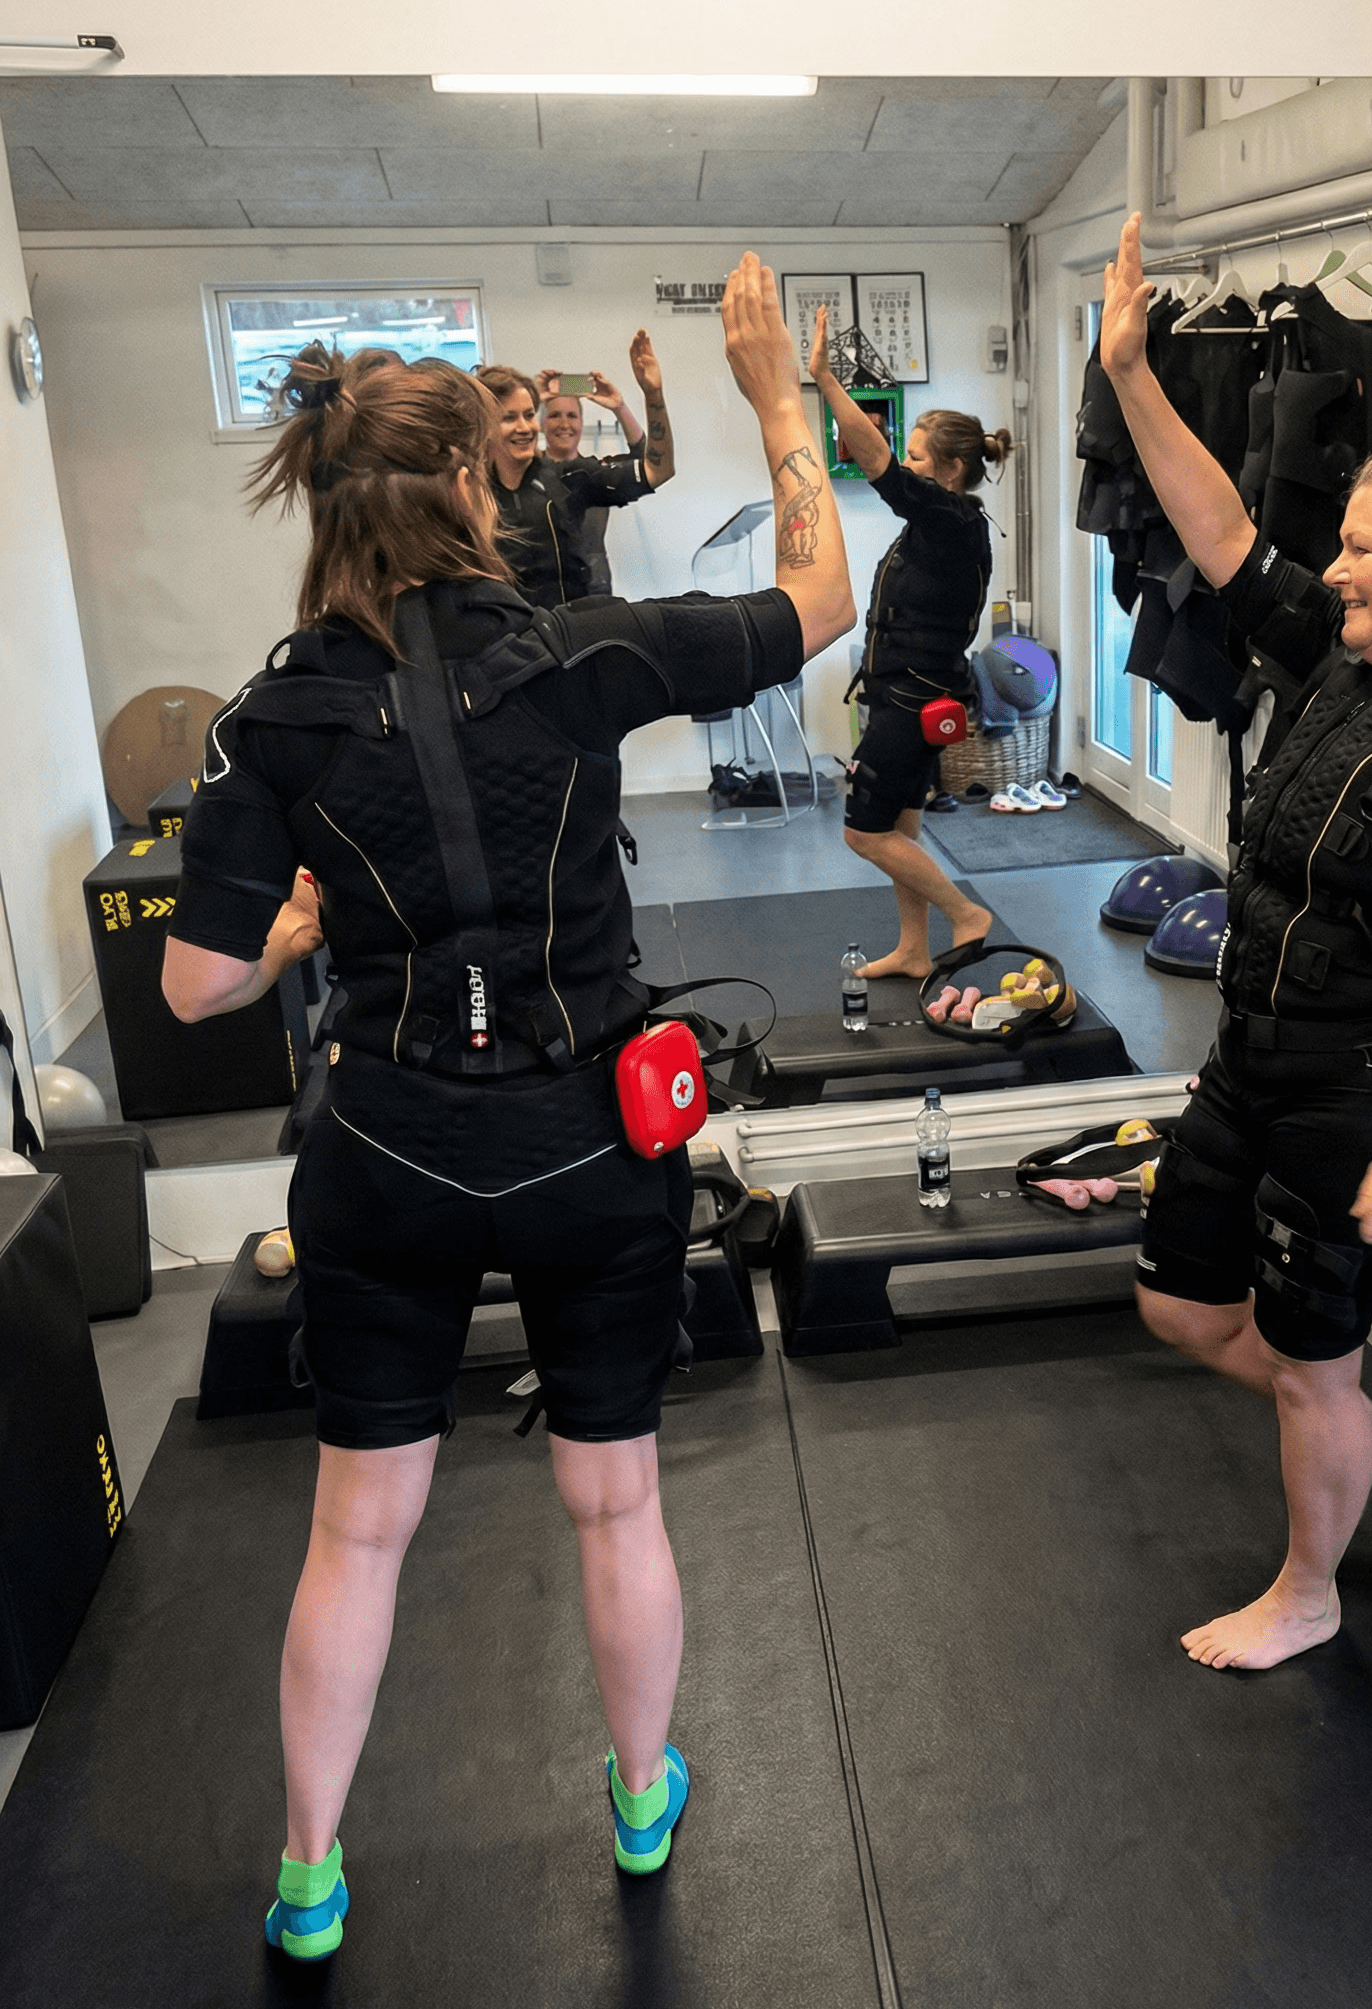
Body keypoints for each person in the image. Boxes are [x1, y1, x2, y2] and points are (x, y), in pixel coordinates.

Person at [160, 255, 853, 1957]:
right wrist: (778, 405)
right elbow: (821, 598)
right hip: (581, 1145)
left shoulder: (274, 720)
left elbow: (194, 986)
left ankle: (311, 1866)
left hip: (386, 1150)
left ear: (320, 499)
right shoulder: (580, 650)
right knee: (614, 1496)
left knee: (358, 1526)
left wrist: (309, 916)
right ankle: (638, 1791)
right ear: (478, 478)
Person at [1099, 211, 1372, 1671]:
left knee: (1305, 1365)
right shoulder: (1343, 661)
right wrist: (1131, 373)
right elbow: (1222, 532)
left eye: (1359, 547)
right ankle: (1353, 1414)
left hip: (1365, 1084)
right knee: (1176, 1301)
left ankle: (1310, 1584)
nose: (1332, 567)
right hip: (1253, 1053)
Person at [809, 307, 1013, 978]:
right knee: (900, 826)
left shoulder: (951, 518)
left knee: (862, 831)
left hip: (912, 698)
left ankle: (967, 912)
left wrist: (825, 381)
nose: (908, 465)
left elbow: (876, 460)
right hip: (911, 691)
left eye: (920, 457)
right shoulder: (948, 521)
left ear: (951, 471)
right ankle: (914, 948)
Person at [478, 334, 675, 607]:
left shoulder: (576, 477)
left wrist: (648, 396)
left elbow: (655, 468)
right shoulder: (472, 490)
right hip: (511, 622)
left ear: (582, 422)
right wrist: (532, 398)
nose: (524, 426)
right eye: (510, 417)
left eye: (527, 415)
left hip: (584, 603)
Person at [537, 334, 671, 597]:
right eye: (554, 415)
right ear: (541, 423)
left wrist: (619, 407)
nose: (564, 424)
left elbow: (650, 461)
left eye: (572, 416)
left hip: (594, 587)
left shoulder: (595, 473)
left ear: (581, 422)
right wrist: (533, 400)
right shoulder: (527, 470)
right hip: (541, 589)